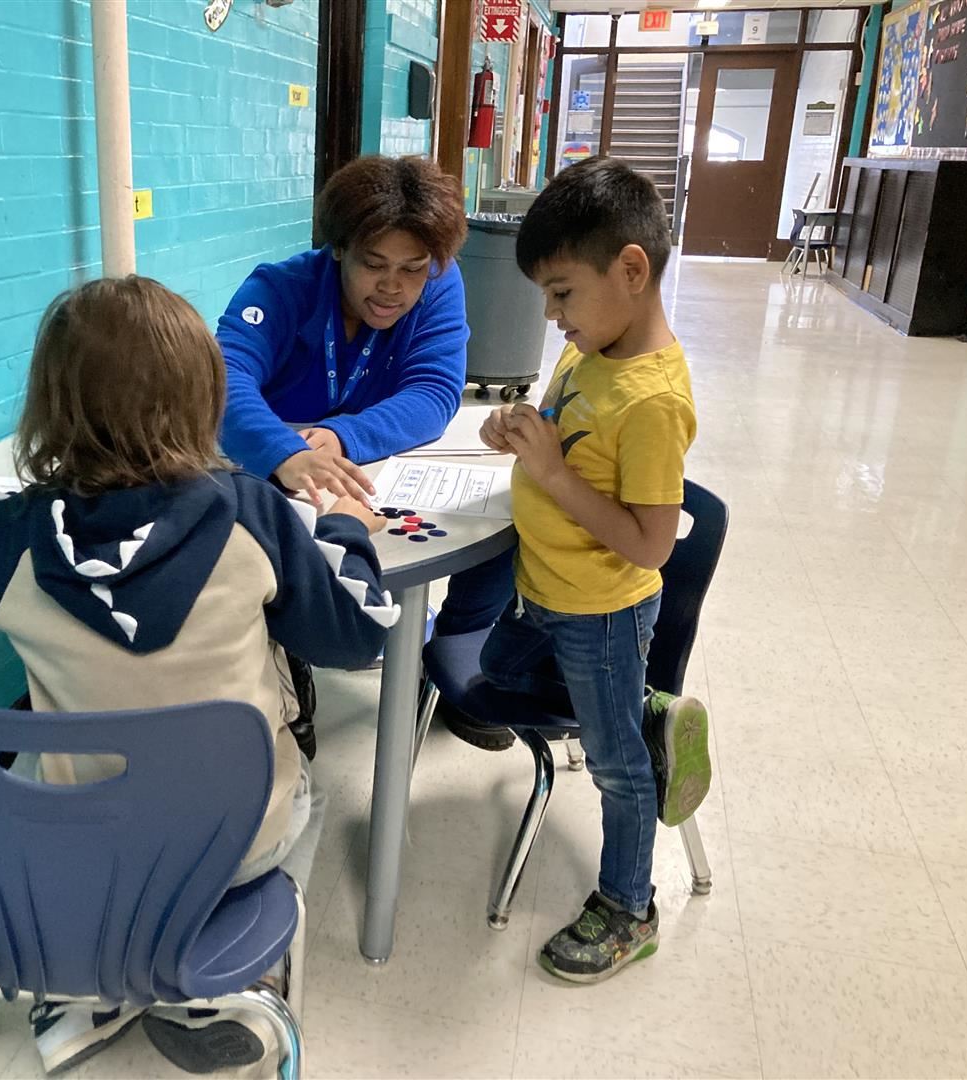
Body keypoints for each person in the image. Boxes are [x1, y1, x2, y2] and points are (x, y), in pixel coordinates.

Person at [0, 276, 395, 1072]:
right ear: (203, 401)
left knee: (46, 768)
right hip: (235, 847)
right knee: (301, 789)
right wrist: (343, 528)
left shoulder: (16, 536)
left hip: (69, 850)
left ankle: (85, 990)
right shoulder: (250, 513)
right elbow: (356, 632)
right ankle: (213, 984)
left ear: (52, 407)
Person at [474, 157, 711, 983]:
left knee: (614, 768)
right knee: (493, 671)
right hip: (544, 593)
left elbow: (651, 547)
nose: (551, 314)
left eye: (562, 293)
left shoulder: (650, 401)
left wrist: (553, 477)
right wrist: (518, 427)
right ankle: (643, 707)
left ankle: (629, 907)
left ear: (632, 271)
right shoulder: (591, 348)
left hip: (602, 611)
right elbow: (555, 418)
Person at [216, 154, 515, 747]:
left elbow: (433, 393)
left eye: (413, 268)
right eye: (374, 264)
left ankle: (454, 663)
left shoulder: (439, 285)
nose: (393, 287)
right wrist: (283, 450)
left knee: (508, 519)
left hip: (372, 475)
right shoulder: (280, 288)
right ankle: (285, 667)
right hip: (283, 480)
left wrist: (342, 435)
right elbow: (221, 382)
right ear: (338, 251)